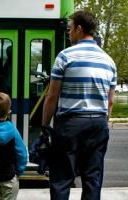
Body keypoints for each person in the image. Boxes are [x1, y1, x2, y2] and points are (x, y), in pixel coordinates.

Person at [42, 11, 117, 200]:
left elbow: (52, 96)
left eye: (70, 29)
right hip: (98, 124)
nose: (69, 33)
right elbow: (110, 102)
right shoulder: (109, 61)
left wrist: (45, 125)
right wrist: (102, 121)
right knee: (92, 179)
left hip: (70, 124)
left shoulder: (65, 57)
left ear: (79, 29)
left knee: (61, 178)